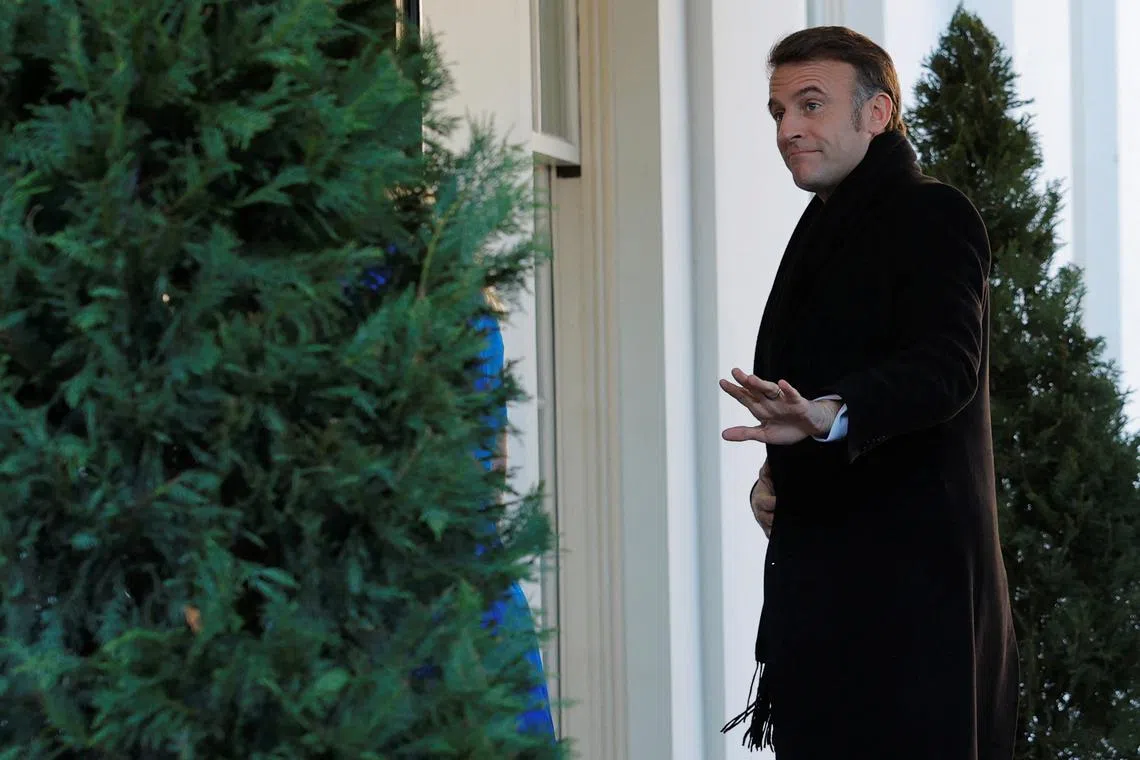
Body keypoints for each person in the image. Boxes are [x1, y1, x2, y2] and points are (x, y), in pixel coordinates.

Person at [717, 27, 1019, 759]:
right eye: (778, 111)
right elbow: (821, 378)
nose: (788, 130)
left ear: (877, 113)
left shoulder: (932, 213)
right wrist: (777, 475)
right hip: (832, 606)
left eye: (811, 105)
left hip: (911, 619)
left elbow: (946, 367)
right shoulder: (827, 221)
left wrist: (829, 416)